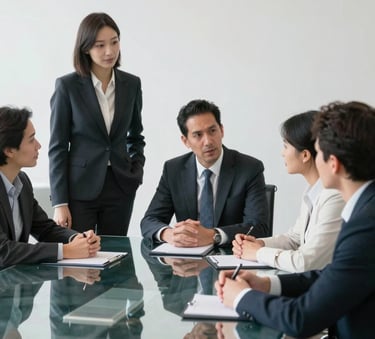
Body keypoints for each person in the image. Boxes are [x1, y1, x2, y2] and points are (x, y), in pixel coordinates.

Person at [215, 101, 375, 338]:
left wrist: (242, 297)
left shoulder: (365, 226)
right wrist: (266, 285)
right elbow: (332, 274)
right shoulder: (365, 209)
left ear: (334, 164)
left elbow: (301, 319)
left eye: (318, 152)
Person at [49, 12, 145, 235]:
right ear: (86, 48)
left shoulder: (131, 84)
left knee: (115, 253)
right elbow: (58, 147)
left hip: (121, 186)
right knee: (81, 257)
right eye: (99, 45)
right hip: (80, 188)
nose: (109, 51)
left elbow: (135, 136)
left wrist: (135, 171)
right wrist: (60, 202)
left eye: (114, 42)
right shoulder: (67, 86)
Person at [141, 99, 269, 247]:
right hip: (188, 261)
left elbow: (258, 227)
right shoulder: (173, 169)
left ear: (222, 130)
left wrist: (213, 236)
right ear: (186, 141)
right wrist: (169, 234)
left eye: (212, 131)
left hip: (233, 258)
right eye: (198, 135)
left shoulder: (249, 168)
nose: (208, 141)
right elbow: (149, 220)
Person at [232, 111, 345, 272]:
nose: (282, 153)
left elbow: (306, 262)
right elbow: (295, 238)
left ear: (305, 155)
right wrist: (260, 244)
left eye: (286, 146)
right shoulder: (312, 191)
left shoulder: (334, 196)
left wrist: (258, 253)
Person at [0, 106, 100, 268]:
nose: (38, 145)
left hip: (12, 283)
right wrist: (65, 251)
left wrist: (77, 239)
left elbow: (45, 229)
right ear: (10, 150)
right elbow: (3, 252)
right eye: (31, 140)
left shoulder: (22, 182)